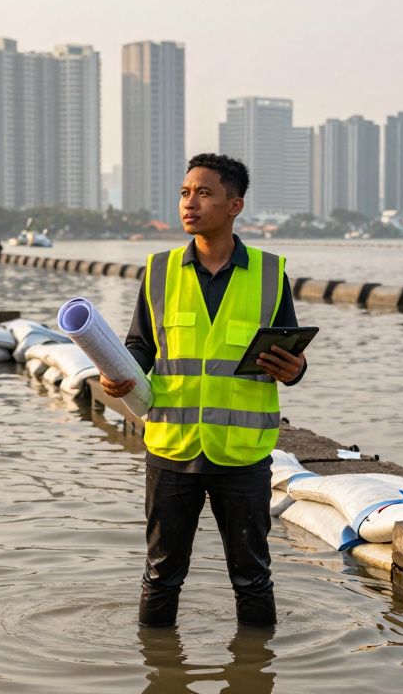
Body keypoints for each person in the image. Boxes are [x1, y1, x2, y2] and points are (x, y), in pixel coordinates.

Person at [103, 153, 307, 628]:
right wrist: (122, 372)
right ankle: (159, 668)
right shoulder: (158, 270)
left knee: (253, 577)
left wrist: (293, 369)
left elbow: (291, 353)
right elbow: (140, 345)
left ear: (235, 205)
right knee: (160, 576)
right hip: (172, 451)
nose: (190, 203)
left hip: (242, 456)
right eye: (184, 192)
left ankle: (255, 670)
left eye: (204, 192)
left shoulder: (271, 273)